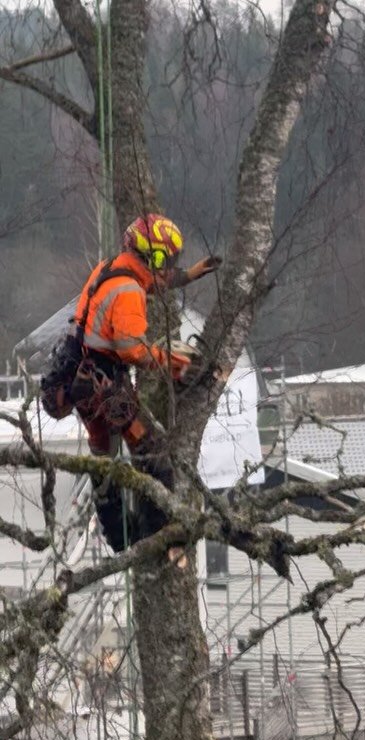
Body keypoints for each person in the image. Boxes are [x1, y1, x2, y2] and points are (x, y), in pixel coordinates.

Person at [70, 213, 221, 552]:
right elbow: (133, 350)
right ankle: (157, 536)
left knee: (103, 457)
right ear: (153, 256)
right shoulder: (127, 290)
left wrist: (192, 274)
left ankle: (123, 538)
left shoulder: (113, 268)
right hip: (105, 386)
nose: (168, 268)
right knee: (152, 453)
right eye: (166, 260)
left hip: (85, 377)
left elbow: (158, 281)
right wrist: (179, 365)